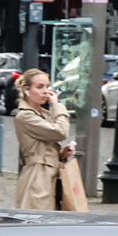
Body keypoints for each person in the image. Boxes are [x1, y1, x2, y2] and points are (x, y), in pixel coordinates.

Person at [12, 69, 85, 212]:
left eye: (47, 86)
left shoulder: (41, 114)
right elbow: (60, 132)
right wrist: (57, 106)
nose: (46, 91)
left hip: (51, 176)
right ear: (27, 90)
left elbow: (45, 145)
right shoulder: (25, 116)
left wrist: (62, 154)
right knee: (39, 222)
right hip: (37, 177)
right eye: (40, 87)